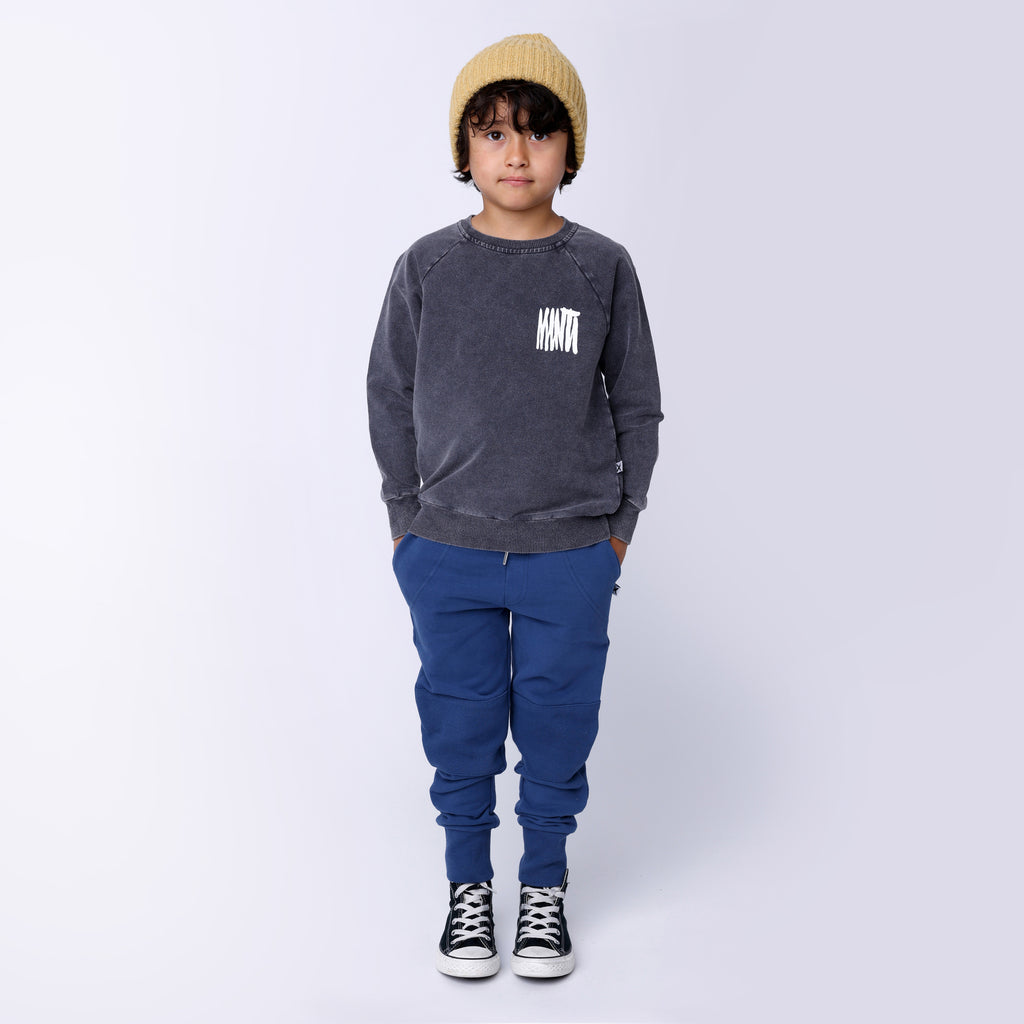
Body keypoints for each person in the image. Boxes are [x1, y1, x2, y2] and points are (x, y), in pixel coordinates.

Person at [367, 32, 662, 979]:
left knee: (557, 722)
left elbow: (638, 404)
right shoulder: (427, 266)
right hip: (445, 549)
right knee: (458, 724)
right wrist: (406, 522)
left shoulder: (600, 267)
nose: (517, 153)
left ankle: (543, 888)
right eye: (494, 132)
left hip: (570, 554)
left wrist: (617, 532)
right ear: (465, 149)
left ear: (571, 149)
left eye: (539, 132)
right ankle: (468, 890)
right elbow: (389, 394)